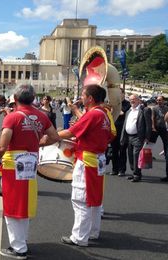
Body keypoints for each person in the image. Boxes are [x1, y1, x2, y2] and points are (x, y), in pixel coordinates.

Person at [0, 84, 60, 259]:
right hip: (31, 163)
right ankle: (22, 240)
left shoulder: (12, 117)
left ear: (15, 99)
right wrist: (37, 143)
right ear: (33, 99)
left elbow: (2, 146)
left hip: (13, 165)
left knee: (11, 205)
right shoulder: (41, 115)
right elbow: (54, 137)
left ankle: (18, 248)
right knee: (24, 203)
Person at [59, 85, 116, 247]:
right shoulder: (104, 114)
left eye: (83, 95)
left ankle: (79, 237)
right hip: (98, 159)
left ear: (90, 98)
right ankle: (92, 232)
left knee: (80, 199)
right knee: (94, 198)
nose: (81, 97)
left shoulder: (93, 114)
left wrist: (50, 137)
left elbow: (71, 132)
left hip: (87, 160)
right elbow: (110, 135)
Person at [121, 94, 152, 183]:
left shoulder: (144, 110)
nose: (132, 101)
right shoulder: (128, 111)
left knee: (136, 155)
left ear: (138, 100)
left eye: (134, 99)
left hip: (138, 137)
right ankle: (135, 171)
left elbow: (148, 125)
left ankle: (137, 174)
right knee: (130, 155)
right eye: (130, 99)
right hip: (129, 137)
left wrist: (147, 137)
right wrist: (123, 136)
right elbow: (125, 124)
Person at [110, 89, 131, 176]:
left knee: (122, 150)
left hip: (123, 130)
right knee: (114, 150)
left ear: (123, 94)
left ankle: (122, 170)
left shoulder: (127, 104)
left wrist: (114, 109)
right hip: (114, 129)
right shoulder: (114, 104)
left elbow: (122, 113)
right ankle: (114, 169)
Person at [151, 96, 168, 182]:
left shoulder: (166, 108)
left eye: (160, 100)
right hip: (156, 127)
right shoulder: (154, 108)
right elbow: (153, 117)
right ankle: (148, 155)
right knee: (150, 143)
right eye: (157, 100)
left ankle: (166, 153)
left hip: (164, 129)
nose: (158, 101)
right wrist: (153, 127)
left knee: (166, 144)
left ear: (163, 101)